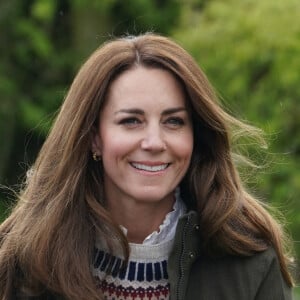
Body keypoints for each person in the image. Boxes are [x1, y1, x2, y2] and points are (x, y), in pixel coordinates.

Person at [0, 33, 294, 300]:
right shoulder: (26, 259)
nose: (154, 142)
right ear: (94, 138)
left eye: (173, 121)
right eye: (131, 121)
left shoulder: (249, 257)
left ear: (196, 135)